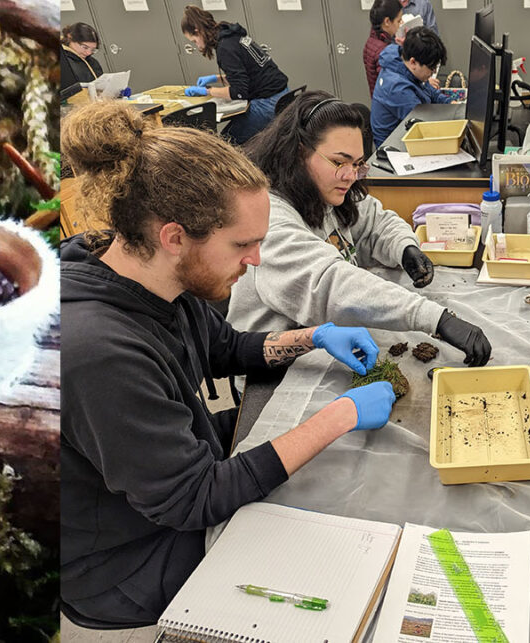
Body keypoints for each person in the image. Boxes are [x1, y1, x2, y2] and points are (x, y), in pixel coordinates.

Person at [54, 101, 400, 628]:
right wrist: (339, 416)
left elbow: (226, 348)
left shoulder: (158, 276)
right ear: (174, 237)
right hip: (126, 561)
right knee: (338, 552)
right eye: (243, 244)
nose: (256, 259)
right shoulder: (100, 353)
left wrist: (314, 337)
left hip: (175, 468)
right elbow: (195, 498)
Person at [230, 90, 492, 366]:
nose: (350, 176)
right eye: (339, 162)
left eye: (357, 164)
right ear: (299, 152)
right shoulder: (268, 219)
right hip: (274, 371)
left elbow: (375, 221)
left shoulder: (323, 188)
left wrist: (405, 247)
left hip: (328, 343)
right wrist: (434, 318)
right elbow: (331, 286)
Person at [181, 5, 292, 144]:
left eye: (194, 41)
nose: (197, 46)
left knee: (225, 142)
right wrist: (216, 78)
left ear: (198, 31)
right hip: (284, 95)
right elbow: (246, 76)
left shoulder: (225, 48)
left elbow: (239, 92)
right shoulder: (232, 35)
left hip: (269, 103)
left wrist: (207, 91)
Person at [368, 27, 451, 149]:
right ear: (413, 62)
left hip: (409, 131)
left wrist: (451, 103)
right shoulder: (397, 89)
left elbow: (429, 90)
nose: (433, 72)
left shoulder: (403, 61)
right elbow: (424, 126)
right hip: (394, 149)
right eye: (431, 68)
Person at [55, 23, 107, 103]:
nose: (88, 53)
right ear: (69, 38)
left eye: (93, 50)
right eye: (85, 47)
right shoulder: (62, 62)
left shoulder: (92, 62)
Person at [363, 0, 403, 90]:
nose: (400, 24)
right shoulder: (384, 51)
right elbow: (393, 86)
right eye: (398, 21)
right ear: (387, 21)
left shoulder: (371, 41)